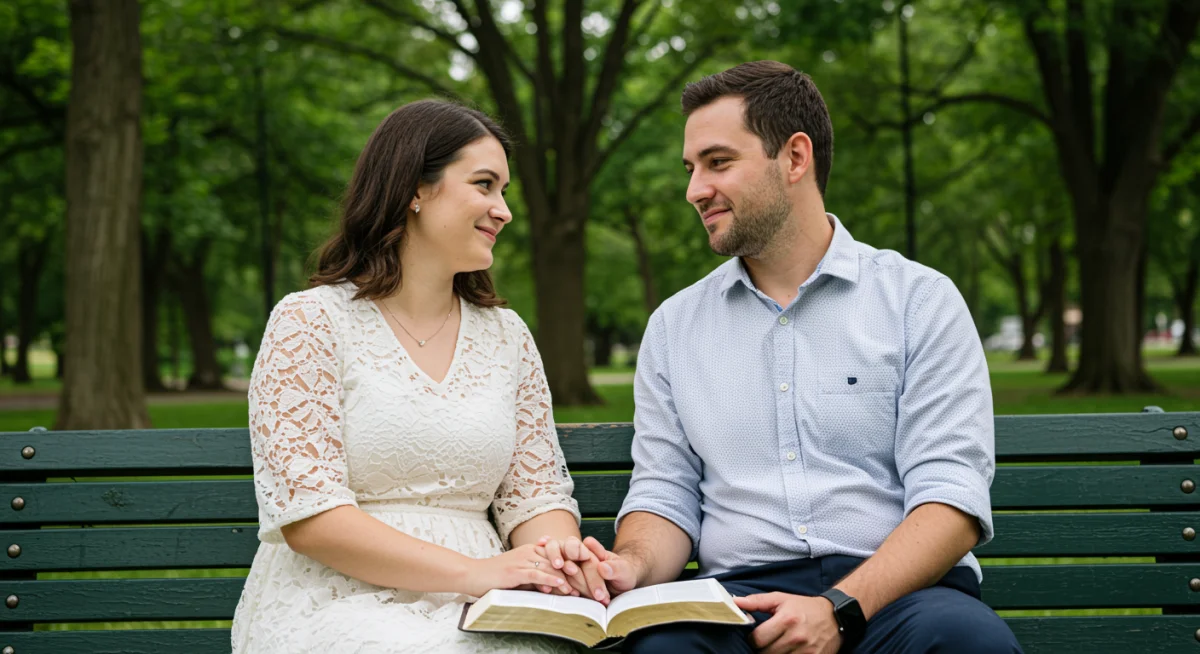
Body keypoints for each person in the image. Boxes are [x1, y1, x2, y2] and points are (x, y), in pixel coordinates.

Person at [545, 61, 1024, 653]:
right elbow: (665, 491)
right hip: (734, 602)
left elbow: (951, 496)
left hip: (901, 596)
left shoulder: (918, 301)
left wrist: (837, 609)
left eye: (718, 162)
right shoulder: (674, 327)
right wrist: (632, 566)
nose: (695, 190)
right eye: (692, 169)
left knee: (965, 642)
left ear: (795, 158)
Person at [230, 99, 602, 653]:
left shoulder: (507, 335)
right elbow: (309, 518)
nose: (503, 211)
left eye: (504, 191)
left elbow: (535, 494)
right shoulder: (311, 322)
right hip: (337, 597)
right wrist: (474, 574)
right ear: (415, 189)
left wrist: (557, 559)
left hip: (489, 599)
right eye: (484, 185)